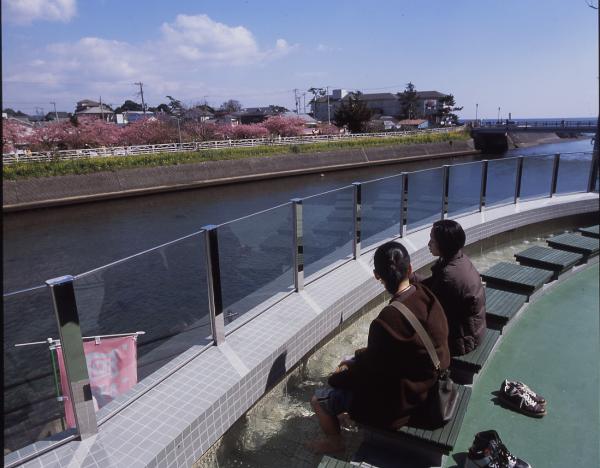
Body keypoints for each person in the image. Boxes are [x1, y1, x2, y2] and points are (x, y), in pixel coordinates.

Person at [307, 241, 450, 453]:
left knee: (319, 399)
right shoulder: (427, 296)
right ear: (410, 270)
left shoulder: (386, 321)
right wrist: (357, 359)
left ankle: (335, 443)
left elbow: (370, 375)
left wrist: (338, 376)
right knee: (352, 360)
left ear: (377, 276)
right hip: (429, 382)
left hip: (403, 404)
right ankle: (346, 414)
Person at [414, 220, 486, 356]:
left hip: (462, 342)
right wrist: (411, 277)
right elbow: (433, 284)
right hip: (473, 331)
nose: (428, 244)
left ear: (444, 245)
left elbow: (430, 312)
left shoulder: (449, 276)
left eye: (432, 240)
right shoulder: (458, 259)